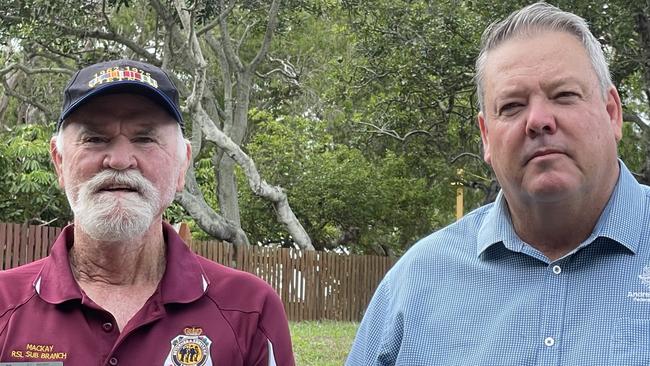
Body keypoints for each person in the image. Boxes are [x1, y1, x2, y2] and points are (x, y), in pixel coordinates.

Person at [347, 2, 650, 365]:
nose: (538, 120)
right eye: (512, 106)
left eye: (564, 95)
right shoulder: (416, 284)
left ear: (612, 112)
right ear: (486, 136)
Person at [0, 59, 295, 365]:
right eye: (95, 139)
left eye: (144, 139)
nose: (119, 160)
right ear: (59, 162)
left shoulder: (250, 310)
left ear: (182, 165)